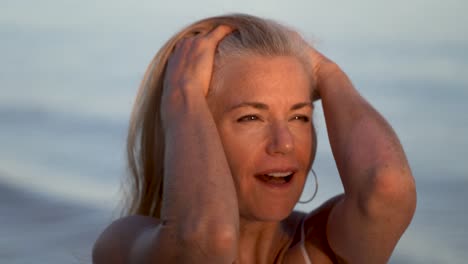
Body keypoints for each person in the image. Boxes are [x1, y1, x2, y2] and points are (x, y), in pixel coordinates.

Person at [92, 14, 416, 263]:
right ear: (193, 131)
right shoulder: (125, 245)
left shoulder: (320, 247)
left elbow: (388, 187)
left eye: (299, 117)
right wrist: (183, 95)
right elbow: (205, 241)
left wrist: (327, 72)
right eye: (251, 117)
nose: (284, 142)